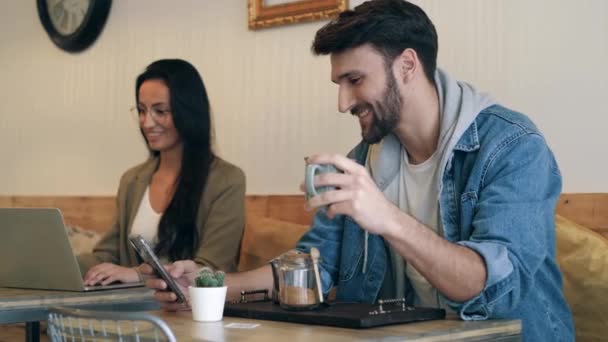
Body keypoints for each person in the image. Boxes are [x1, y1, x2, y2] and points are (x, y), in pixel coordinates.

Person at [144, 1, 573, 340]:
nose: (343, 103)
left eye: (355, 80)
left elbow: (491, 287)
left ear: (406, 66)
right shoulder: (366, 156)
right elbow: (315, 267)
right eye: (339, 85)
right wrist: (208, 285)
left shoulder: (513, 148)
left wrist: (386, 217)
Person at [78, 59, 246, 286]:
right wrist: (57, 264)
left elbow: (212, 267)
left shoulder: (227, 180)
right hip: (132, 309)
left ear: (188, 112)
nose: (147, 122)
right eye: (141, 110)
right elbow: (108, 255)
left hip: (188, 311)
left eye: (160, 111)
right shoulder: (132, 180)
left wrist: (138, 274)